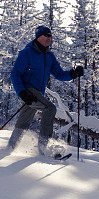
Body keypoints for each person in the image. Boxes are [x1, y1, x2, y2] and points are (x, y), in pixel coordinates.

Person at [8, 25, 84, 155]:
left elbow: (59, 74)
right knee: (50, 108)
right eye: (46, 35)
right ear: (39, 37)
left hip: (37, 93)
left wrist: (73, 74)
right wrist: (22, 92)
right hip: (28, 91)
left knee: (24, 121)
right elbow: (15, 74)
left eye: (50, 36)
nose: (49, 38)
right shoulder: (27, 53)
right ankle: (43, 148)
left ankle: (10, 147)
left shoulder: (49, 56)